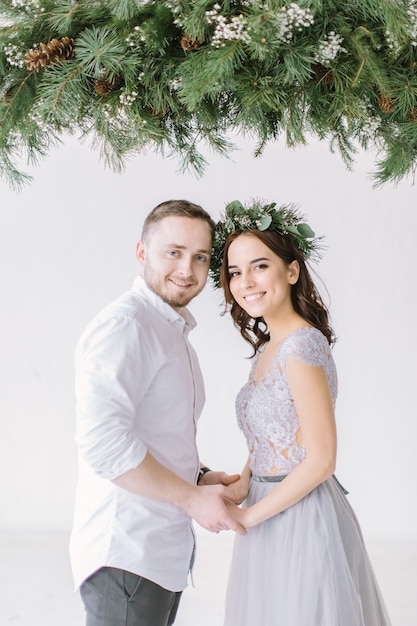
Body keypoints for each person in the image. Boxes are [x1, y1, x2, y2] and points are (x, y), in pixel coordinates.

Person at [209, 199, 392, 626]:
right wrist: (241, 486)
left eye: (259, 266)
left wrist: (248, 515)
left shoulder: (303, 346)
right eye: (235, 272)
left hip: (302, 517)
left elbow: (323, 460)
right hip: (264, 511)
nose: (245, 282)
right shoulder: (267, 348)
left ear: (291, 272)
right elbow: (271, 437)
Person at [69, 199, 245, 626]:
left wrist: (198, 475)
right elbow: (103, 443)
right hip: (128, 552)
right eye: (174, 252)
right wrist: (191, 498)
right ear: (142, 252)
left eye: (200, 257)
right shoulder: (127, 326)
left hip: (158, 553)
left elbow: (154, 432)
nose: (187, 269)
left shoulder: (169, 330)